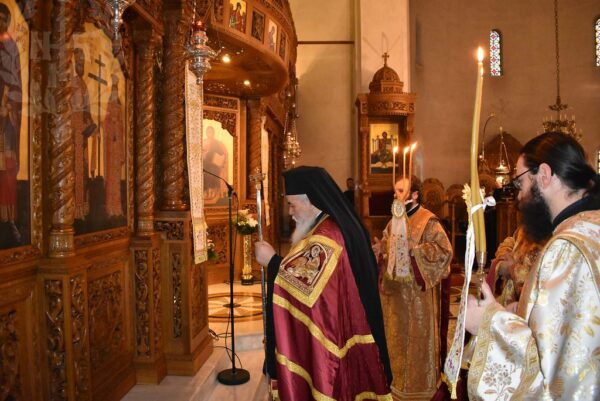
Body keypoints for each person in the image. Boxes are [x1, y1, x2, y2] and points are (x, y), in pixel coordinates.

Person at [465, 132, 600, 400]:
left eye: (521, 182)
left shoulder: (568, 247)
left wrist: (488, 322)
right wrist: (522, 312)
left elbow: (555, 376)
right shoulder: (591, 227)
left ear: (545, 175)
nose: (519, 195)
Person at [254, 166, 392, 401]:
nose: (290, 212)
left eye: (292, 205)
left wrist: (273, 262)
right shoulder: (326, 224)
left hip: (341, 332)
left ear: (310, 201)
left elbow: (306, 287)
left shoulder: (327, 235)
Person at [372, 176, 452, 401]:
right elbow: (389, 247)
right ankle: (395, 385)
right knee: (395, 343)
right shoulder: (393, 221)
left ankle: (419, 389)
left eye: (401, 191)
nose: (395, 195)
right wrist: (381, 249)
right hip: (395, 298)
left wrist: (415, 250)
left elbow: (444, 252)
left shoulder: (429, 221)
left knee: (416, 347)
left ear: (415, 195)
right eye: (395, 191)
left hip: (418, 301)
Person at [0, 4, 22, 243]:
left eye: (4, 19)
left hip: (5, 120)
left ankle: (8, 220)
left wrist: (8, 104)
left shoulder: (11, 47)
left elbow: (16, 84)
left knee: (6, 168)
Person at [486, 225, 547, 308]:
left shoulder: (553, 237)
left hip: (525, 308)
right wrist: (504, 256)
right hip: (508, 301)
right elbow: (511, 241)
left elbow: (539, 285)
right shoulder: (526, 227)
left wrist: (512, 268)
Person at [71, 47, 97, 220]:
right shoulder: (71, 83)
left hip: (82, 133)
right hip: (73, 131)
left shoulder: (83, 84)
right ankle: (72, 209)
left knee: (83, 170)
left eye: (82, 62)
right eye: (78, 62)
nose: (81, 65)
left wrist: (92, 125)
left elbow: (87, 109)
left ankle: (81, 209)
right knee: (74, 170)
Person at [103, 74, 125, 217]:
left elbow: (122, 127)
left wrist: (118, 126)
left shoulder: (119, 107)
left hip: (117, 149)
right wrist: (112, 124)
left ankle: (117, 208)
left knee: (116, 180)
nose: (115, 94)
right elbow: (105, 124)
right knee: (111, 179)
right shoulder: (109, 106)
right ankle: (110, 207)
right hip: (111, 148)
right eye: (114, 91)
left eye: (117, 91)